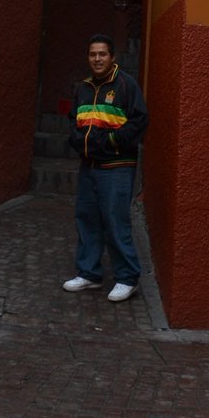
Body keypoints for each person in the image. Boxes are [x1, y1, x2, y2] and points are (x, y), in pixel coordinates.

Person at [63, 35, 148, 303]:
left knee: (115, 221)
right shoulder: (83, 88)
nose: (97, 59)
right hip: (89, 165)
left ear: (112, 57)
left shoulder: (125, 85)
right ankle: (89, 273)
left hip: (117, 166)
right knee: (87, 218)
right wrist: (75, 140)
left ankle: (127, 278)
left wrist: (112, 141)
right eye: (92, 54)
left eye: (102, 54)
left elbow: (139, 121)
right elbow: (75, 120)